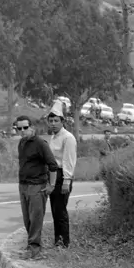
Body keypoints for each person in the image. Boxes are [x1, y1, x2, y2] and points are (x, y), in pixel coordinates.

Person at [16, 115, 58, 259]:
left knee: (36, 219)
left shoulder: (40, 143)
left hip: (37, 185)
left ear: (32, 127)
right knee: (27, 218)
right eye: (19, 128)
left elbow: (53, 165)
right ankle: (30, 246)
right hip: (23, 185)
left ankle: (35, 250)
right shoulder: (21, 143)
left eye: (25, 127)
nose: (22, 131)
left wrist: (51, 185)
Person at [46, 101, 77, 248]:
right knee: (55, 210)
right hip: (53, 175)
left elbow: (68, 160)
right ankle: (57, 240)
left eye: (56, 121)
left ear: (62, 121)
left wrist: (67, 180)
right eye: (51, 121)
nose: (53, 124)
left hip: (62, 175)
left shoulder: (68, 138)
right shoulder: (53, 137)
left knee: (61, 210)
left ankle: (64, 242)